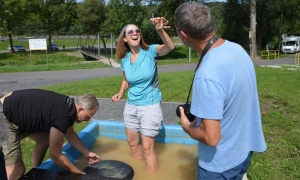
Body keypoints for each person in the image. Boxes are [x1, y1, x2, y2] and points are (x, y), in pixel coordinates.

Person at [174, 2, 267, 180]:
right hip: (243, 151)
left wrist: (188, 128)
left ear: (184, 35)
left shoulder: (208, 73)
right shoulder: (237, 49)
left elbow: (211, 138)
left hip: (220, 165)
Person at [111, 17, 174, 172]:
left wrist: (160, 30)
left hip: (150, 106)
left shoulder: (150, 51)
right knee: (133, 144)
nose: (135, 33)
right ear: (125, 38)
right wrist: (120, 92)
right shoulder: (125, 59)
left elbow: (169, 47)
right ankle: (139, 172)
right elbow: (126, 79)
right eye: (130, 31)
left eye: (137, 31)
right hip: (131, 105)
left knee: (147, 148)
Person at [0, 89, 100, 180]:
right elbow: (55, 155)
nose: (88, 120)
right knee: (17, 170)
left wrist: (87, 152)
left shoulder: (68, 106)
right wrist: (77, 172)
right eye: (88, 116)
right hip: (5, 115)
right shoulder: (64, 116)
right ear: (80, 109)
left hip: (14, 107)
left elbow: (70, 133)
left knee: (45, 139)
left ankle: (35, 171)